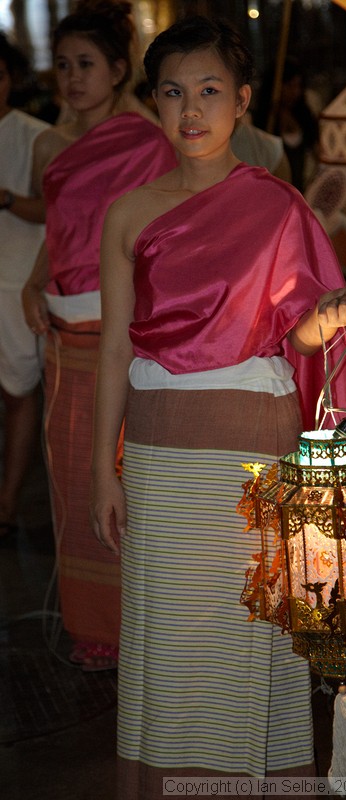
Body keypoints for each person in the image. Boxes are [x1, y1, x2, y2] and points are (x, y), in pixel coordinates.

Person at [90, 15, 346, 796]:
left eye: (210, 90)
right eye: (174, 91)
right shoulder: (129, 213)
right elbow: (115, 351)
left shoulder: (279, 208)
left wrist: (335, 311)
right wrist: (100, 472)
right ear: (152, 100)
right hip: (155, 456)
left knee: (252, 643)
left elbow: (302, 332)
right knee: (166, 642)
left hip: (250, 451)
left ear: (243, 101)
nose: (192, 108)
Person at [21, 0, 177, 670]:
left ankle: (142, 624)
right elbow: (60, 234)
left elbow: (158, 242)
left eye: (85, 65)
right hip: (62, 333)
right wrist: (33, 282)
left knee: (126, 479)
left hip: (121, 336)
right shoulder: (51, 145)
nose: (71, 78)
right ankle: (94, 629)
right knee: (73, 484)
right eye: (62, 66)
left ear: (118, 70)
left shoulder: (150, 142)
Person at [0, 34, 49, 539]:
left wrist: (8, 200)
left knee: (18, 392)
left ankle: (8, 503)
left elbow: (56, 214)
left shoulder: (35, 136)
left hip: (15, 279)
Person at [253, 55, 319, 192]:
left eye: (298, 86)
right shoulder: (264, 118)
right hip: (276, 191)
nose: (295, 92)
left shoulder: (304, 115)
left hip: (304, 189)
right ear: (277, 86)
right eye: (290, 86)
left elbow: (318, 151)